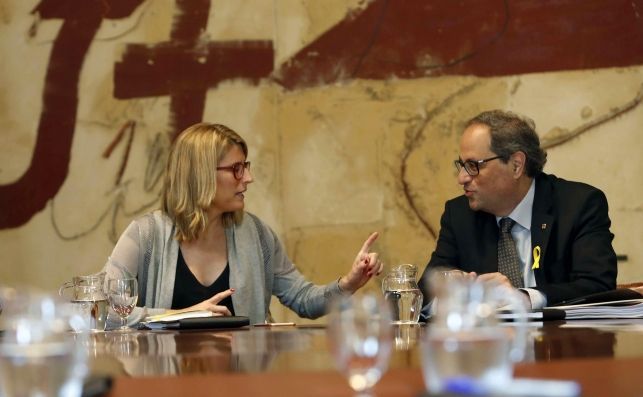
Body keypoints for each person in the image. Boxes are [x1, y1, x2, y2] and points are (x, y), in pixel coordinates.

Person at [103, 122, 382, 325]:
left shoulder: (258, 235)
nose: (248, 178)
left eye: (245, 167)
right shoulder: (145, 236)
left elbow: (303, 300)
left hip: (243, 382)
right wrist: (186, 315)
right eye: (237, 169)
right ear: (201, 175)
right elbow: (100, 309)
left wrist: (349, 283)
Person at [419, 110, 617, 311]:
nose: (461, 178)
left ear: (516, 165)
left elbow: (598, 286)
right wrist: (446, 288)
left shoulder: (578, 205)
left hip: (561, 341)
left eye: (472, 165)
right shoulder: (459, 215)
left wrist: (524, 298)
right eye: (461, 165)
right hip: (490, 341)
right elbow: (421, 297)